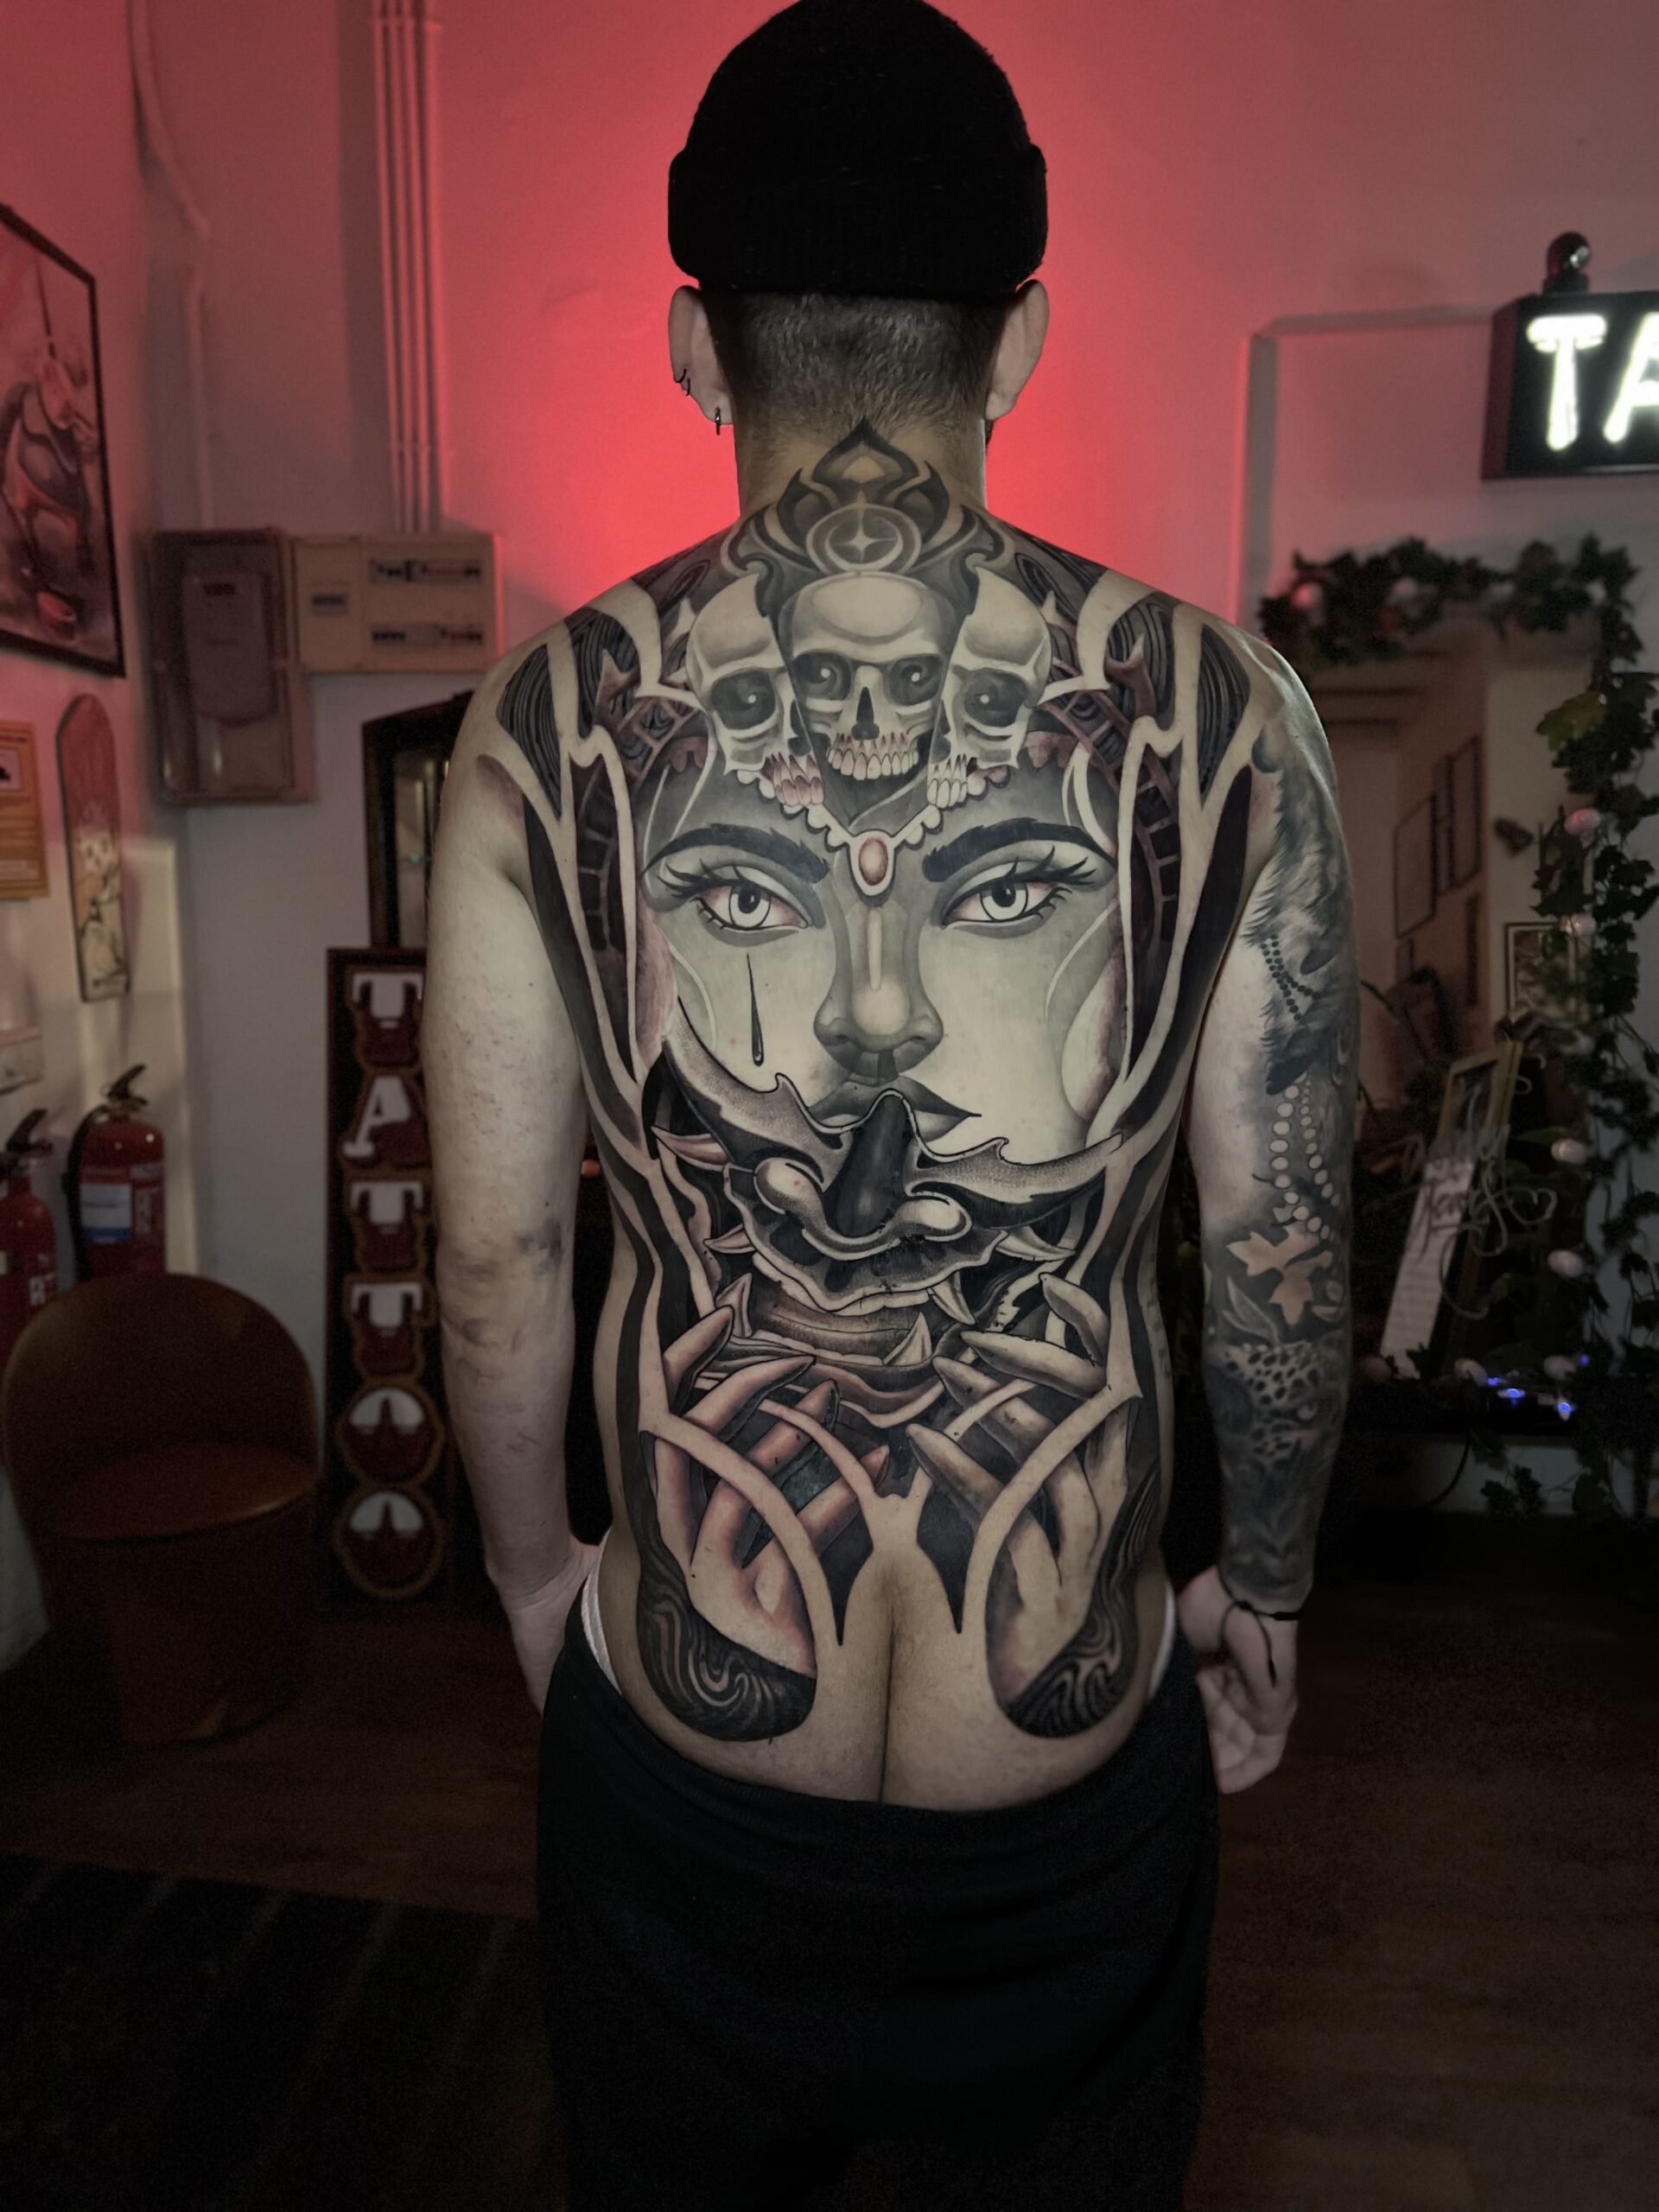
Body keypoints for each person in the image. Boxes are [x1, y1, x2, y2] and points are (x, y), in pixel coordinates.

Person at [424, 3, 1357, 2203]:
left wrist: (537, 1577)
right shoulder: (1235, 714)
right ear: (1018, 339)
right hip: (1063, 1757)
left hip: (689, 1743)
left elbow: (494, 1254)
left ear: (694, 343)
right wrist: (1272, 1581)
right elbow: (1280, 1238)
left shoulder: (532, 730)